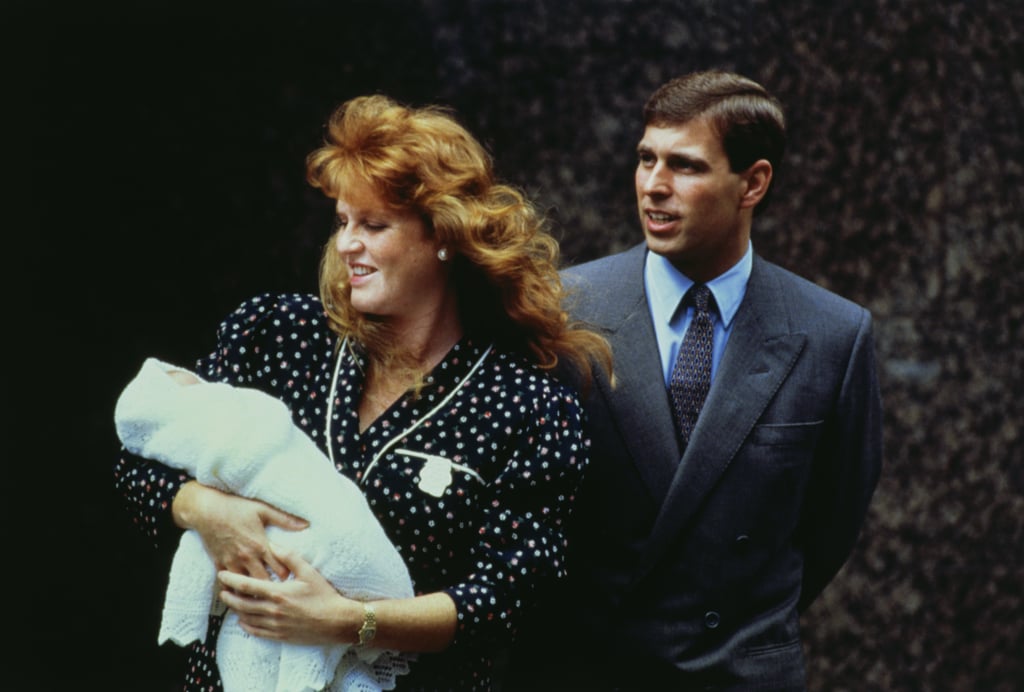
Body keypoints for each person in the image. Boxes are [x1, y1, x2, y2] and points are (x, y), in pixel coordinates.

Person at [113, 94, 611, 691]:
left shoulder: (528, 406)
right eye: (344, 221)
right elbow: (138, 465)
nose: (349, 243)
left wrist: (349, 622)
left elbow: (509, 596)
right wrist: (209, 511)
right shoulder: (274, 334)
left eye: (374, 225)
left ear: (444, 237)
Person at [506, 70, 883, 690]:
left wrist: (743, 621)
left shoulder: (833, 335)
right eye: (646, 159)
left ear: (752, 182)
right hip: (584, 668)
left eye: (685, 166)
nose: (654, 186)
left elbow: (831, 521)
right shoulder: (557, 312)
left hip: (736, 672)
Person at [114, 357, 415, 691]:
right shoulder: (278, 326)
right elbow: (132, 466)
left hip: (414, 648)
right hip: (236, 638)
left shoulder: (484, 392)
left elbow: (483, 603)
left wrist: (347, 622)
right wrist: (202, 506)